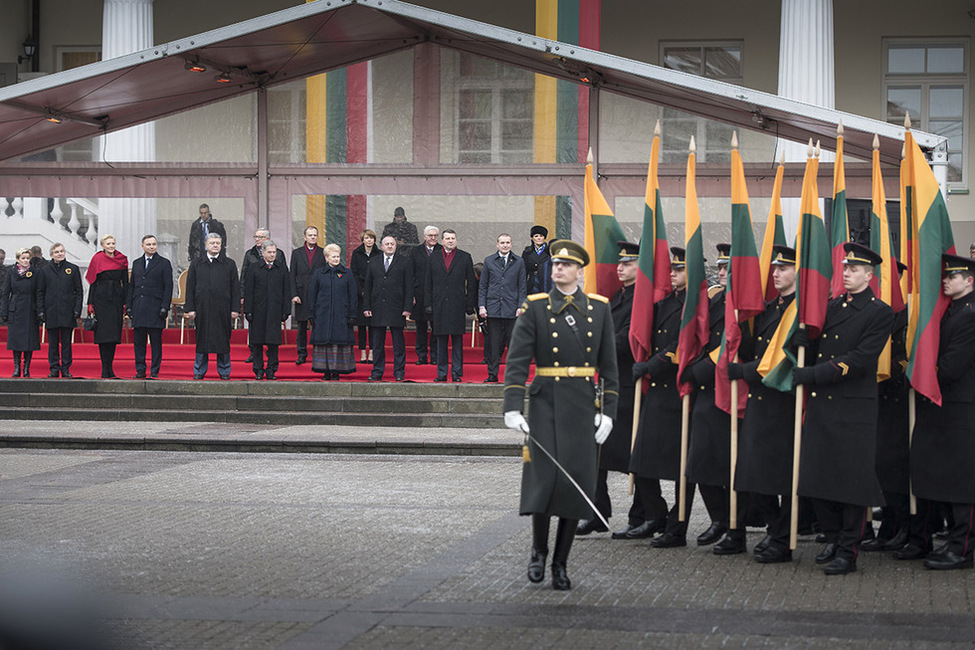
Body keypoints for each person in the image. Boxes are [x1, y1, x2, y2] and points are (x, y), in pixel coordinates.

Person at [503, 239, 619, 591]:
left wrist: (609, 412)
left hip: (582, 405)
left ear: (579, 272)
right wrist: (512, 406)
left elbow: (610, 368)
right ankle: (538, 551)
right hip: (545, 404)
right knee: (545, 482)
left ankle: (561, 562)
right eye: (555, 264)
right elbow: (518, 361)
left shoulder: (599, 309)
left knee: (574, 485)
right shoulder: (536, 308)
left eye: (566, 265)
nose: (559, 269)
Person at [792, 242, 893, 575]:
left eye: (853, 269)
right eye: (845, 268)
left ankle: (849, 551)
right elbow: (823, 346)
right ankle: (833, 537)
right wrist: (804, 342)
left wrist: (812, 375)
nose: (846, 273)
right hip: (824, 409)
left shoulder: (879, 312)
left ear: (869, 275)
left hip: (852, 409)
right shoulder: (834, 306)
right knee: (819, 478)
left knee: (851, 483)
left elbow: (861, 361)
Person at [723, 245, 800, 561]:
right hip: (760, 403)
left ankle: (783, 539)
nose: (776, 273)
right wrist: (739, 322)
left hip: (783, 402)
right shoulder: (770, 308)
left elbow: (780, 360)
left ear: (798, 271)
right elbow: (755, 347)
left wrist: (742, 371)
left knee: (783, 475)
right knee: (755, 475)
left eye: (783, 268)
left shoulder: (801, 311)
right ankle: (773, 528)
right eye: (774, 269)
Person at [902, 253, 975, 570]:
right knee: (941, 476)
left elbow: (953, 366)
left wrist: (920, 374)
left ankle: (963, 548)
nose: (945, 280)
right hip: (939, 407)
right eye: (945, 276)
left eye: (953, 277)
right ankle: (945, 540)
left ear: (969, 281)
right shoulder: (950, 311)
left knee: (962, 482)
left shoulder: (970, 314)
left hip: (960, 408)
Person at [578, 241, 646, 538]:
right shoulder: (620, 296)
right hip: (610, 384)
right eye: (619, 263)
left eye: (627, 264)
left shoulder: (641, 301)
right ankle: (597, 512)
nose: (619, 268)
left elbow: (626, 340)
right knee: (595, 450)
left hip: (631, 387)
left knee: (636, 455)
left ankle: (643, 514)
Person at [630, 247, 691, 547]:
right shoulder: (664, 302)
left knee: (681, 467)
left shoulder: (694, 306)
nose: (673, 275)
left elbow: (684, 344)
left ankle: (677, 528)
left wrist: (649, 366)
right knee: (640, 459)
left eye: (679, 270)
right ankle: (655, 514)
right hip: (656, 392)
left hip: (679, 393)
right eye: (672, 270)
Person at [682, 243, 735, 548]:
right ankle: (719, 518)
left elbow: (735, 342)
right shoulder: (714, 299)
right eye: (719, 268)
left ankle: (736, 522)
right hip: (706, 393)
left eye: (728, 267)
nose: (722, 273)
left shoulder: (749, 303)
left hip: (732, 391)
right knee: (702, 460)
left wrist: (700, 369)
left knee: (732, 463)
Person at [185, 233, 240, 380]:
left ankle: (224, 371)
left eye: (218, 243)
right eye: (212, 243)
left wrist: (235, 309)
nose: (215, 245)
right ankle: (199, 371)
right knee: (202, 340)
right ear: (206, 245)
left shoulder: (229, 264)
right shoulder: (197, 264)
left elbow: (235, 288)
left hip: (223, 309)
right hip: (202, 309)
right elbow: (190, 287)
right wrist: (190, 308)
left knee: (223, 340)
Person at [425, 229, 476, 382]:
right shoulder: (433, 257)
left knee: (457, 341)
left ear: (456, 240)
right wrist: (428, 304)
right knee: (440, 340)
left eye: (453, 238)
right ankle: (441, 373)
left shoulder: (465, 257)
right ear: (442, 240)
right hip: (439, 305)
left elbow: (471, 283)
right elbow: (428, 282)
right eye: (447, 238)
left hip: (457, 305)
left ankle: (456, 372)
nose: (450, 241)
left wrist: (469, 304)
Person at [362, 235, 413, 382]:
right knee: (377, 343)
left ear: (396, 246)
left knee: (398, 344)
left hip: (397, 308)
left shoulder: (404, 262)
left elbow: (409, 287)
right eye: (387, 244)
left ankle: (399, 372)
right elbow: (368, 286)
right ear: (382, 246)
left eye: (392, 244)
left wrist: (407, 307)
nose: (390, 246)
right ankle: (377, 371)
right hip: (378, 307)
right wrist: (366, 306)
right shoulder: (373, 262)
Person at [478, 233, 527, 383]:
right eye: (502, 242)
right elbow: (483, 286)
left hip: (512, 309)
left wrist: (520, 306)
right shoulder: (489, 261)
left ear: (511, 244)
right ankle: (492, 374)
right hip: (493, 308)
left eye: (507, 242)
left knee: (513, 344)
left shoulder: (519, 262)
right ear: (497, 244)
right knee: (493, 344)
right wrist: (482, 306)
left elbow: (522, 286)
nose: (505, 245)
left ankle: (514, 375)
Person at [243, 240, 293, 380]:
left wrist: (286, 310)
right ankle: (258, 369)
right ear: (263, 253)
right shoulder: (254, 268)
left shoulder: (282, 269)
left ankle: (271, 369)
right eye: (269, 252)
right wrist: (248, 310)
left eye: (274, 252)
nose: (272, 255)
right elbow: (249, 291)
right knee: (257, 342)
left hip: (274, 312)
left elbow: (286, 291)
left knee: (273, 343)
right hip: (257, 312)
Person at [308, 243, 358, 381]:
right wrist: (311, 314)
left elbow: (352, 295)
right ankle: (326, 371)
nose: (336, 259)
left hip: (341, 315)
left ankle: (336, 371)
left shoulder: (347, 273)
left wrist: (352, 314)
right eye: (333, 256)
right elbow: (312, 294)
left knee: (338, 343)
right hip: (322, 315)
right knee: (324, 344)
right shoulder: (319, 273)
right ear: (326, 258)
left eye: (338, 256)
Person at [126, 235, 173, 379]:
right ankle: (140, 369)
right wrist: (129, 306)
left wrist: (165, 306)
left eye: (153, 244)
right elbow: (132, 286)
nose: (151, 246)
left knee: (155, 342)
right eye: (148, 244)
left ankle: (154, 369)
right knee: (139, 342)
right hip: (139, 307)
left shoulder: (164, 263)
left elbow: (168, 286)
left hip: (155, 308)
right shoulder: (137, 263)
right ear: (142, 246)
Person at [241, 228, 287, 364]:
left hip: (274, 301)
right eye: (255, 236)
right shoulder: (249, 254)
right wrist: (243, 294)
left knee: (272, 336)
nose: (257, 239)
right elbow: (244, 276)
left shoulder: (279, 256)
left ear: (267, 239)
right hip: (257, 301)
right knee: (256, 332)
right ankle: (254, 356)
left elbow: (284, 281)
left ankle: (272, 365)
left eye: (260, 237)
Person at [37, 243, 82, 378]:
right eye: (56, 252)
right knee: (53, 343)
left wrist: (77, 310)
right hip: (51, 312)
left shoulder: (72, 269)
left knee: (67, 343)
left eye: (62, 251)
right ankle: (54, 368)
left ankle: (66, 368)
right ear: (51, 255)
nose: (60, 254)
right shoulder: (44, 270)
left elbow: (79, 291)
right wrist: (41, 311)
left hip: (68, 312)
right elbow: (40, 292)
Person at [86, 235, 129, 379]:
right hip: (101, 299)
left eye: (113, 243)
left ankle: (110, 368)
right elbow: (92, 281)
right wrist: (90, 303)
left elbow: (126, 283)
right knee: (103, 335)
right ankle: (105, 369)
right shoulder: (97, 259)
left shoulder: (122, 259)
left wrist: (126, 302)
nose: (111, 246)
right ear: (103, 245)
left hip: (116, 298)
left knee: (114, 335)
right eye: (108, 243)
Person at [1, 248, 41, 377]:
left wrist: (40, 311)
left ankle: (26, 367)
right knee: (16, 341)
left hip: (30, 309)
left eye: (27, 258)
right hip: (16, 309)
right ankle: (17, 367)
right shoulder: (11, 272)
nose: (25, 261)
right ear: (18, 259)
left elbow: (39, 293)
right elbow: (6, 293)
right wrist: (4, 311)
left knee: (29, 341)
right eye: (23, 258)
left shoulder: (35, 272)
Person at [290, 226, 325, 365]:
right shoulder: (297, 253)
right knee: (302, 326)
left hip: (318, 295)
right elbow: (292, 274)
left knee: (318, 326)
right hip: (301, 294)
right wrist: (293, 294)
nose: (312, 237)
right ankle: (302, 353)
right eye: (310, 235)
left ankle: (318, 354)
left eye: (315, 235)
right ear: (304, 237)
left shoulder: (322, 252)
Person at [410, 225, 441, 366]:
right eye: (430, 236)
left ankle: (435, 355)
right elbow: (410, 274)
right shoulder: (415, 252)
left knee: (436, 327)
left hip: (437, 295)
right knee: (421, 327)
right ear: (425, 237)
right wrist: (411, 295)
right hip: (420, 294)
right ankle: (421, 356)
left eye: (435, 236)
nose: (433, 238)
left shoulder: (442, 250)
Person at [522, 225, 552, 294]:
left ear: (544, 237)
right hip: (531, 284)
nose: (539, 238)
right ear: (532, 238)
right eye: (536, 236)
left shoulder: (549, 252)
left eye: (541, 236)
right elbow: (524, 272)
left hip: (545, 283)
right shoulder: (527, 252)